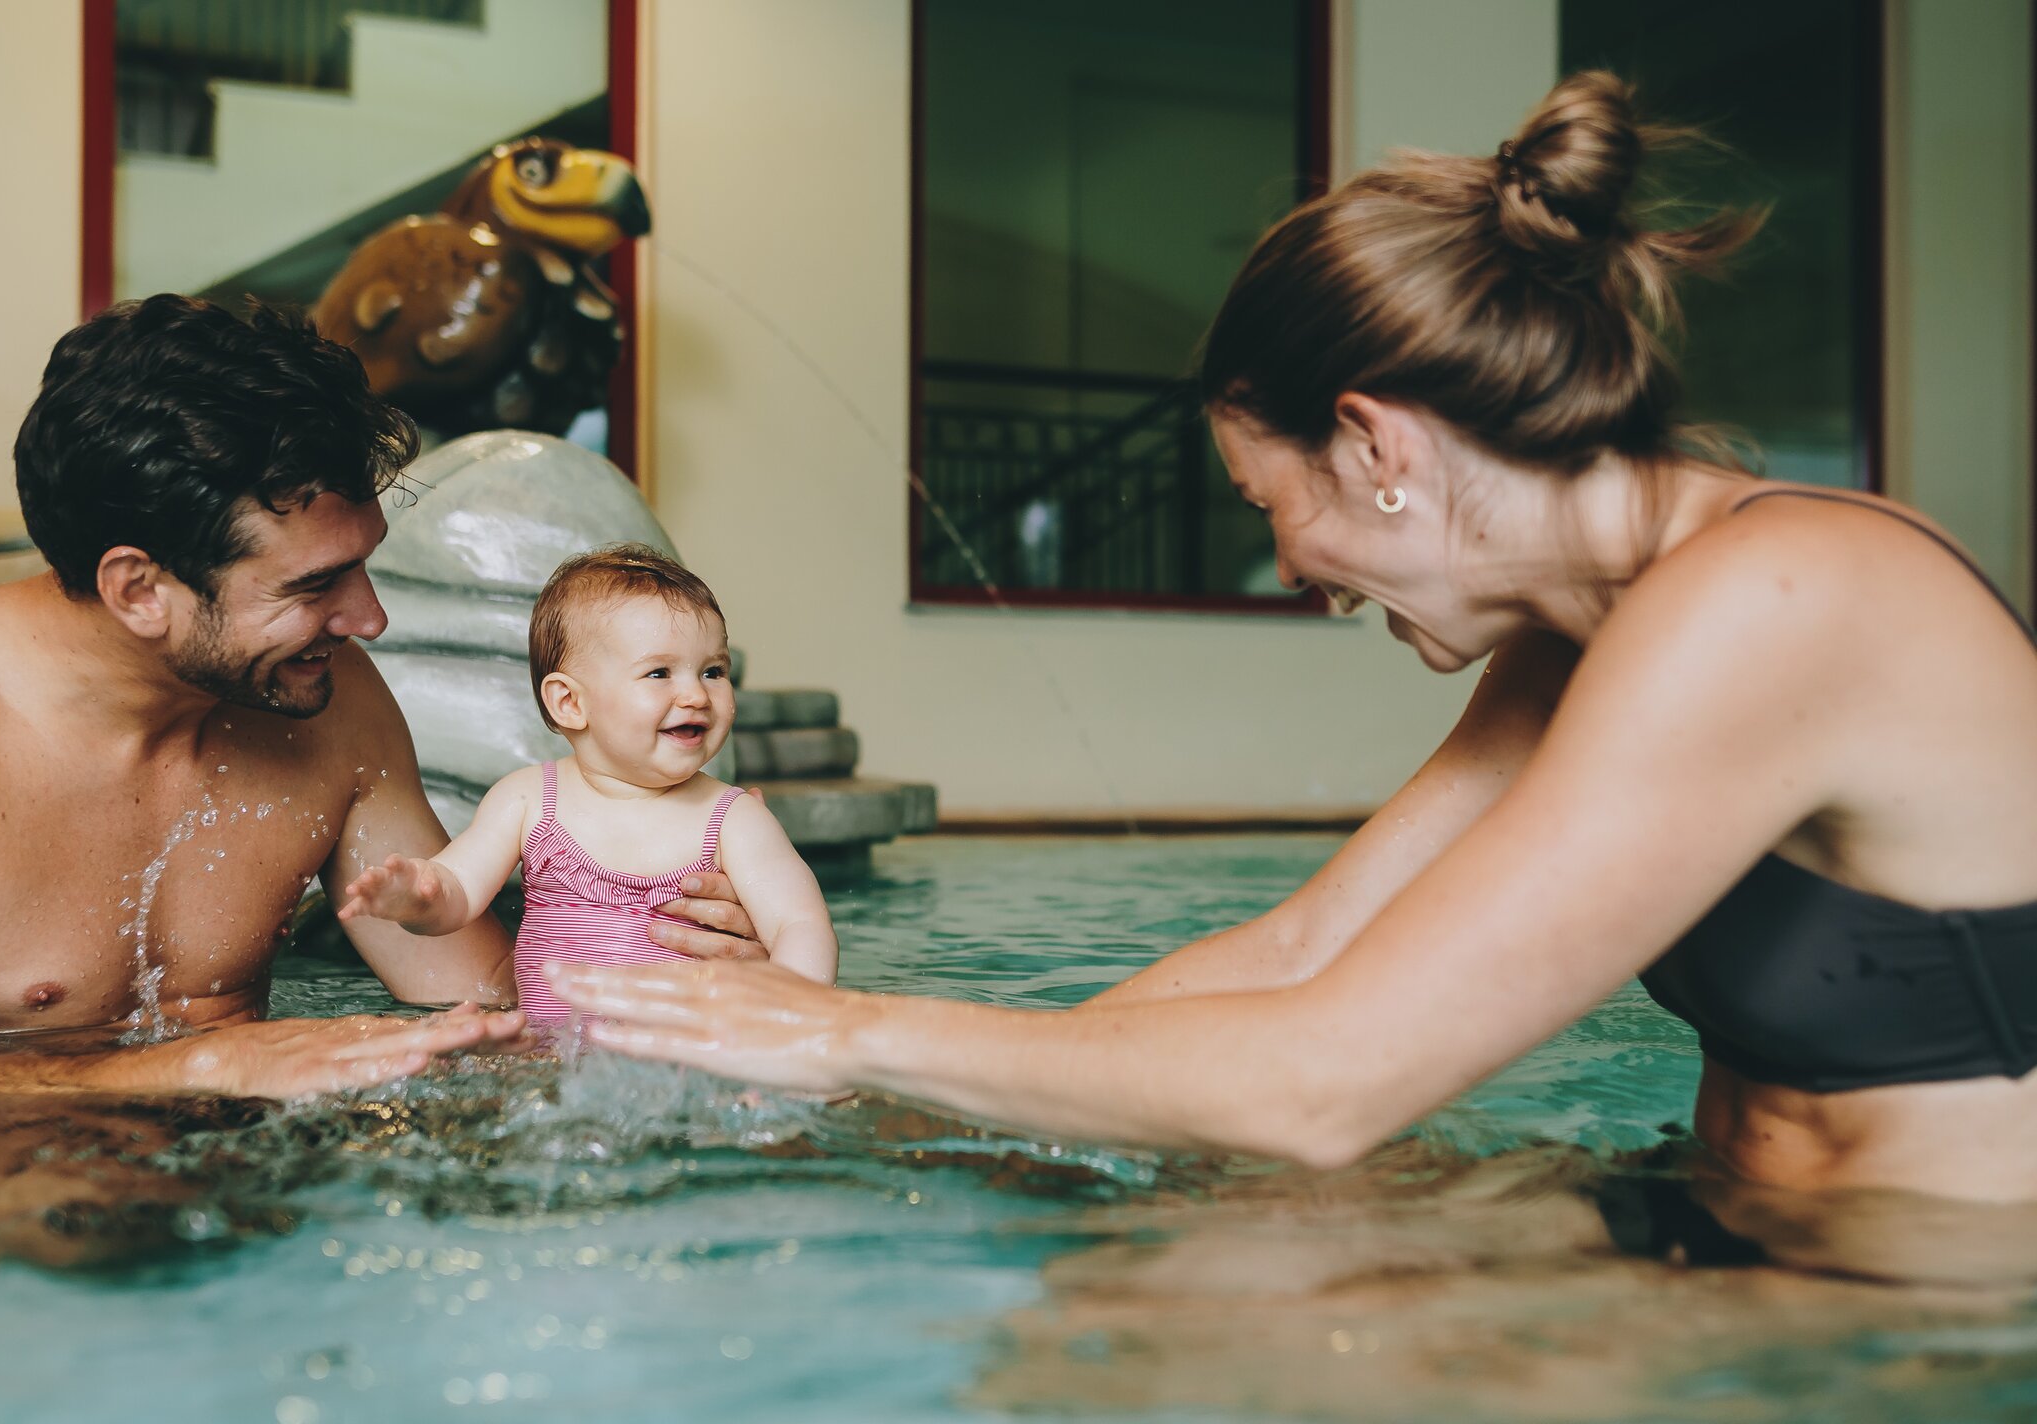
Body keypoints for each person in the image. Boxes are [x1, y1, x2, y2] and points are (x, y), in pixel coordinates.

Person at [551, 73, 2037, 1205]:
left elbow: (1331, 1082)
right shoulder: (1586, 627)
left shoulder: (1778, 597)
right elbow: (1302, 949)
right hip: (1714, 1215)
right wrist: (851, 1119)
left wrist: (846, 1036)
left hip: (1927, 1296)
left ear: (1378, 443)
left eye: (1274, 504)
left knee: (1133, 1324)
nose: (1291, 567)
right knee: (1161, 1250)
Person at [0, 297, 763, 1096]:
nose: (369, 620)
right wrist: (204, 1064)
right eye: (315, 585)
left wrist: (681, 968)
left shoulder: (331, 704)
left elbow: (489, 1008)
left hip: (266, 1177)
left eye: (362, 566)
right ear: (139, 588)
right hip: (2, 1208)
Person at [340, 545, 837, 1017]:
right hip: (554, 1064)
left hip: (692, 1061)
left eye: (713, 671)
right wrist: (416, 897)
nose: (696, 695)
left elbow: (800, 925)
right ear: (570, 703)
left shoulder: (733, 820)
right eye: (660, 673)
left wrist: (789, 1020)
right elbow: (457, 893)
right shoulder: (528, 800)